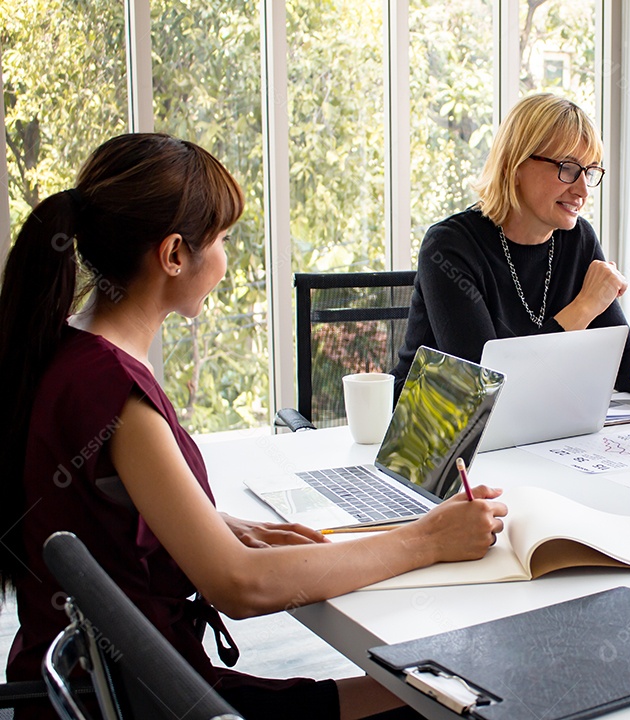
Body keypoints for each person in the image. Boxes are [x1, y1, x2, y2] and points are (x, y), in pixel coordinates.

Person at [0, 133, 508, 720]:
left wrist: (220, 525)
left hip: (108, 685)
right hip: (154, 699)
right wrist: (427, 540)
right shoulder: (116, 393)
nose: (224, 257)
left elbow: (101, 514)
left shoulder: (65, 349)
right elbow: (240, 588)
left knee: (424, 684)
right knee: (448, 696)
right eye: (219, 239)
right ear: (172, 255)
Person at [390, 93, 630, 414]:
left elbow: (621, 358)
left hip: (530, 426)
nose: (583, 190)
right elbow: (486, 385)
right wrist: (586, 305)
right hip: (428, 433)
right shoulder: (449, 247)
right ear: (515, 164)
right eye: (568, 168)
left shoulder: (578, 238)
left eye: (590, 171)